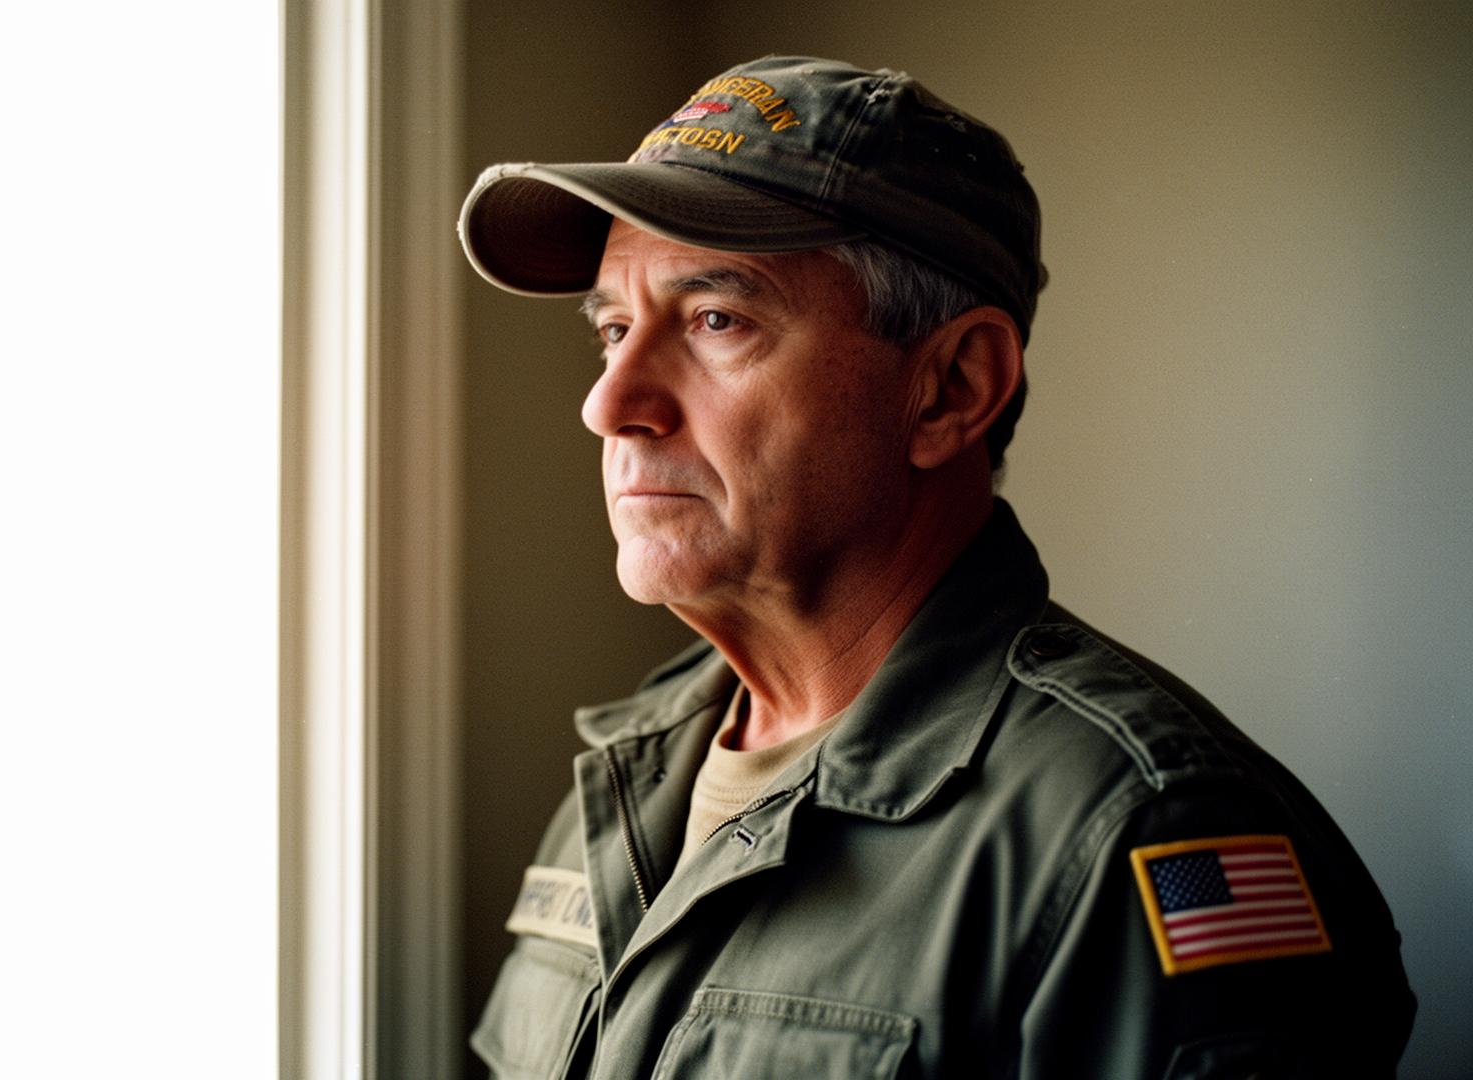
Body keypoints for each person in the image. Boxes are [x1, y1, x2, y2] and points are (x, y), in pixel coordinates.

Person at [455, 56, 1414, 1078]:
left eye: (714, 319)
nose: (610, 405)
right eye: (612, 329)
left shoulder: (1137, 833)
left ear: (952, 388)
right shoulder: (623, 779)